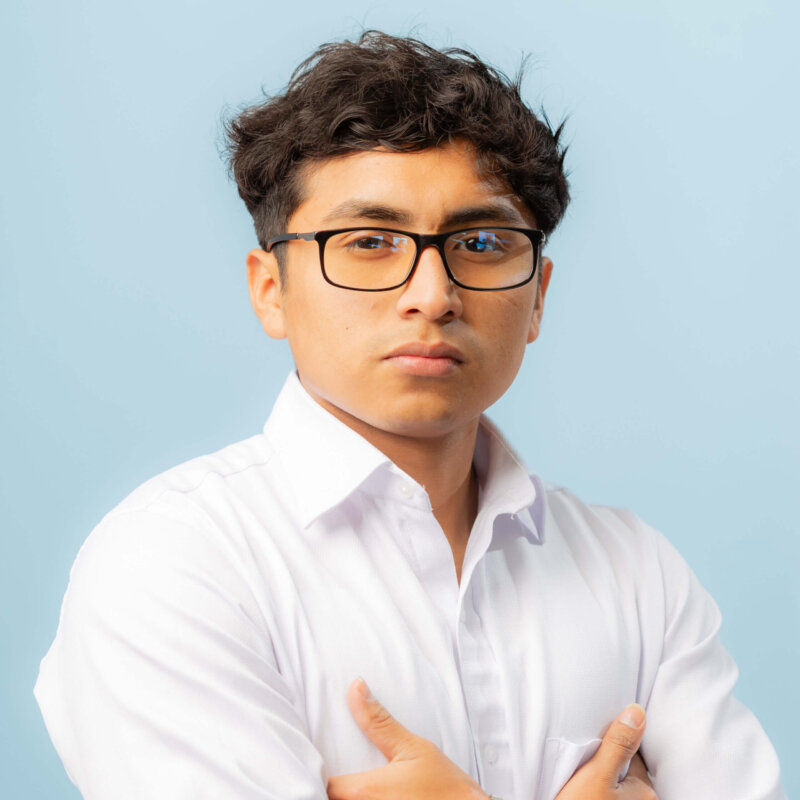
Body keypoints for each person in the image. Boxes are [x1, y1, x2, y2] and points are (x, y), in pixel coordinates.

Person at [34, 31, 784, 800]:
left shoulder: (635, 573)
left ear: (538, 298)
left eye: (483, 241)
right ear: (271, 290)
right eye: (368, 241)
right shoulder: (176, 560)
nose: (432, 294)